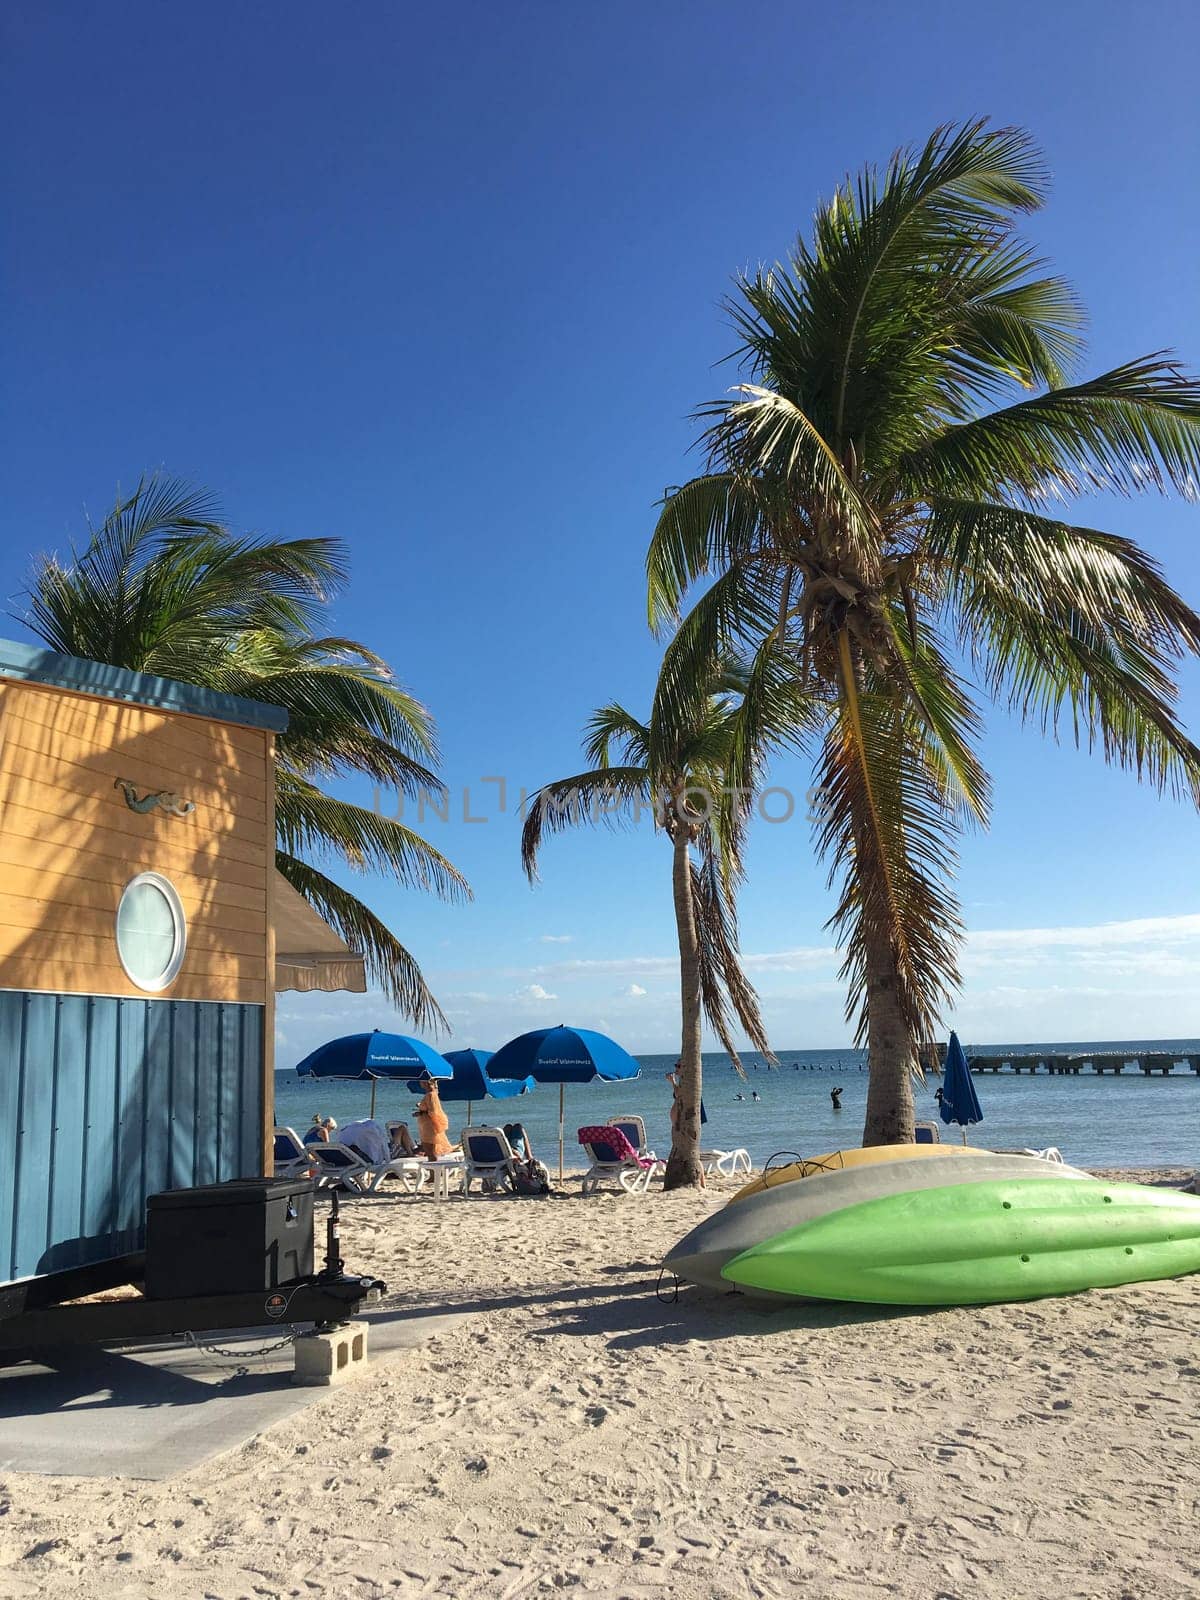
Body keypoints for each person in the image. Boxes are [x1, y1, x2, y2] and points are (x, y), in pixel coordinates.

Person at [414, 1079, 452, 1158]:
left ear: (426, 1082)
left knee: (431, 1154)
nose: (420, 1082)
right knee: (430, 1153)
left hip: (429, 1128)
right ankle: (434, 1169)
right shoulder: (430, 1094)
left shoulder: (431, 1094)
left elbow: (433, 1112)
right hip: (426, 1127)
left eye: (421, 1081)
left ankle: (435, 1170)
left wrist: (420, 1112)